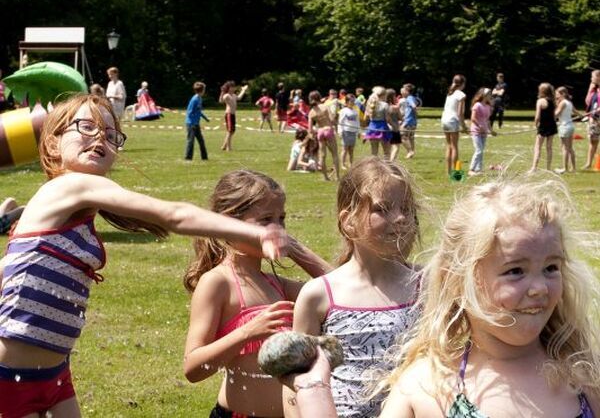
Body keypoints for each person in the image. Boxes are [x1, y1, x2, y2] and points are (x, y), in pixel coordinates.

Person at [0, 93, 289, 418]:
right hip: (11, 376)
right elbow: (174, 215)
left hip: (55, 375)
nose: (100, 137)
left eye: (111, 136)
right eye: (86, 126)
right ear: (53, 144)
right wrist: (252, 232)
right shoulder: (69, 186)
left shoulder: (74, 210)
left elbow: (13, 266)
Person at [288, 178, 600, 418]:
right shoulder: (427, 384)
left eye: (551, 267)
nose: (539, 288)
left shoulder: (583, 376)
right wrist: (313, 390)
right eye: (515, 271)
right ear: (458, 280)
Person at [182, 169, 331, 418]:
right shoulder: (218, 283)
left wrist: (293, 248)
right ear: (228, 223)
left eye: (281, 219)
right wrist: (248, 332)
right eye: (265, 220)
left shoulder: (276, 285)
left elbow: (337, 289)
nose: (277, 228)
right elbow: (193, 368)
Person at [283, 157, 421, 418]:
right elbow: (295, 383)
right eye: (383, 209)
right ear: (348, 220)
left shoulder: (424, 285)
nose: (401, 217)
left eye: (406, 207)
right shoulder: (319, 295)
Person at [308, 90, 341, 181]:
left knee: (322, 155)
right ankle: (337, 177)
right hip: (328, 130)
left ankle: (325, 177)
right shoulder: (325, 106)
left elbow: (310, 130)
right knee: (334, 154)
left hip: (320, 132)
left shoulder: (311, 112)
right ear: (319, 97)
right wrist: (336, 121)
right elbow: (331, 119)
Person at [441, 74, 467, 175]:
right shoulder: (461, 95)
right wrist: (464, 127)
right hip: (452, 121)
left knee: (449, 145)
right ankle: (456, 173)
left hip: (444, 120)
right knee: (455, 146)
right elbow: (460, 113)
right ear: (463, 84)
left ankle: (448, 172)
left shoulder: (450, 93)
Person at [530, 82, 558, 172]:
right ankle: (548, 168)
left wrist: (536, 125)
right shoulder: (553, 101)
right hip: (552, 125)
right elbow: (554, 116)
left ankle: (534, 167)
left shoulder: (540, 101)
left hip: (543, 126)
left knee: (537, 147)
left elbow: (537, 116)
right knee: (549, 147)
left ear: (541, 91)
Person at [468, 87, 495, 176]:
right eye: (489, 94)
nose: (490, 96)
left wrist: (491, 131)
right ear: (483, 95)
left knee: (481, 150)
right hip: (476, 131)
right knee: (478, 150)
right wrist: (479, 126)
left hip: (484, 132)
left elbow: (487, 120)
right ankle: (471, 169)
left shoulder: (488, 106)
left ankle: (478, 169)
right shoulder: (477, 105)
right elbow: (473, 118)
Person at [219, 81, 248, 151]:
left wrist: (243, 90)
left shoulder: (234, 95)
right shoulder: (227, 95)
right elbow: (221, 101)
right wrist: (222, 92)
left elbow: (239, 98)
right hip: (228, 114)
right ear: (228, 88)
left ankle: (224, 146)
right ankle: (228, 148)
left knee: (232, 131)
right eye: (232, 87)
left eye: (233, 87)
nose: (233, 88)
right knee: (230, 131)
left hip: (233, 114)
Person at [555, 86, 578, 173]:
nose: (556, 95)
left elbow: (556, 114)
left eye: (557, 94)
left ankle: (565, 168)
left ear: (562, 94)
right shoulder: (569, 102)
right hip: (570, 126)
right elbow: (575, 112)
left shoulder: (563, 103)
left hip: (564, 126)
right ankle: (573, 168)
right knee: (570, 148)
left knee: (565, 148)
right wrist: (581, 115)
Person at [364, 86, 391, 159]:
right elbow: (387, 119)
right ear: (384, 95)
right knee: (386, 152)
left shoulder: (370, 103)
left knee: (374, 152)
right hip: (383, 128)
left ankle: (374, 168)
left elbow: (366, 117)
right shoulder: (385, 104)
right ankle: (387, 167)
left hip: (372, 128)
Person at [185, 81, 210, 161]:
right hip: (191, 124)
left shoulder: (199, 99)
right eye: (204, 89)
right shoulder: (194, 99)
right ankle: (188, 158)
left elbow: (199, 111)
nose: (204, 91)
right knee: (191, 142)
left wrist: (205, 118)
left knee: (201, 141)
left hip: (196, 124)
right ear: (202, 90)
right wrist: (193, 119)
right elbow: (189, 111)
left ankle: (204, 158)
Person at [582, 69, 600, 170]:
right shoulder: (594, 90)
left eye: (592, 77)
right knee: (593, 141)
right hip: (593, 119)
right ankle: (588, 163)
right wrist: (590, 88)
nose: (591, 78)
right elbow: (587, 101)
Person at [338, 93, 360, 169]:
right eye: (351, 101)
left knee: (351, 149)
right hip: (346, 132)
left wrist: (358, 132)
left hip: (353, 132)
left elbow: (357, 122)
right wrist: (340, 131)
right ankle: (342, 164)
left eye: (353, 101)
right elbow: (340, 122)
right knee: (344, 149)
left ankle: (350, 163)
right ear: (347, 102)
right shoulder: (343, 111)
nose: (353, 103)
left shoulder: (355, 111)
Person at [400, 83, 418, 159]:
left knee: (402, 136)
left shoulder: (409, 98)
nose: (402, 90)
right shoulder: (412, 97)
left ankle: (410, 151)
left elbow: (414, 106)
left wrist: (415, 112)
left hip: (408, 121)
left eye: (403, 89)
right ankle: (412, 153)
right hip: (413, 122)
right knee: (411, 137)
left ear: (407, 91)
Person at [385, 89, 402, 162]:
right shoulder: (395, 108)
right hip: (394, 128)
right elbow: (400, 117)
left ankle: (387, 162)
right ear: (392, 97)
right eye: (394, 96)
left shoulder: (383, 106)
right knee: (396, 147)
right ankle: (391, 162)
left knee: (387, 148)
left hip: (385, 128)